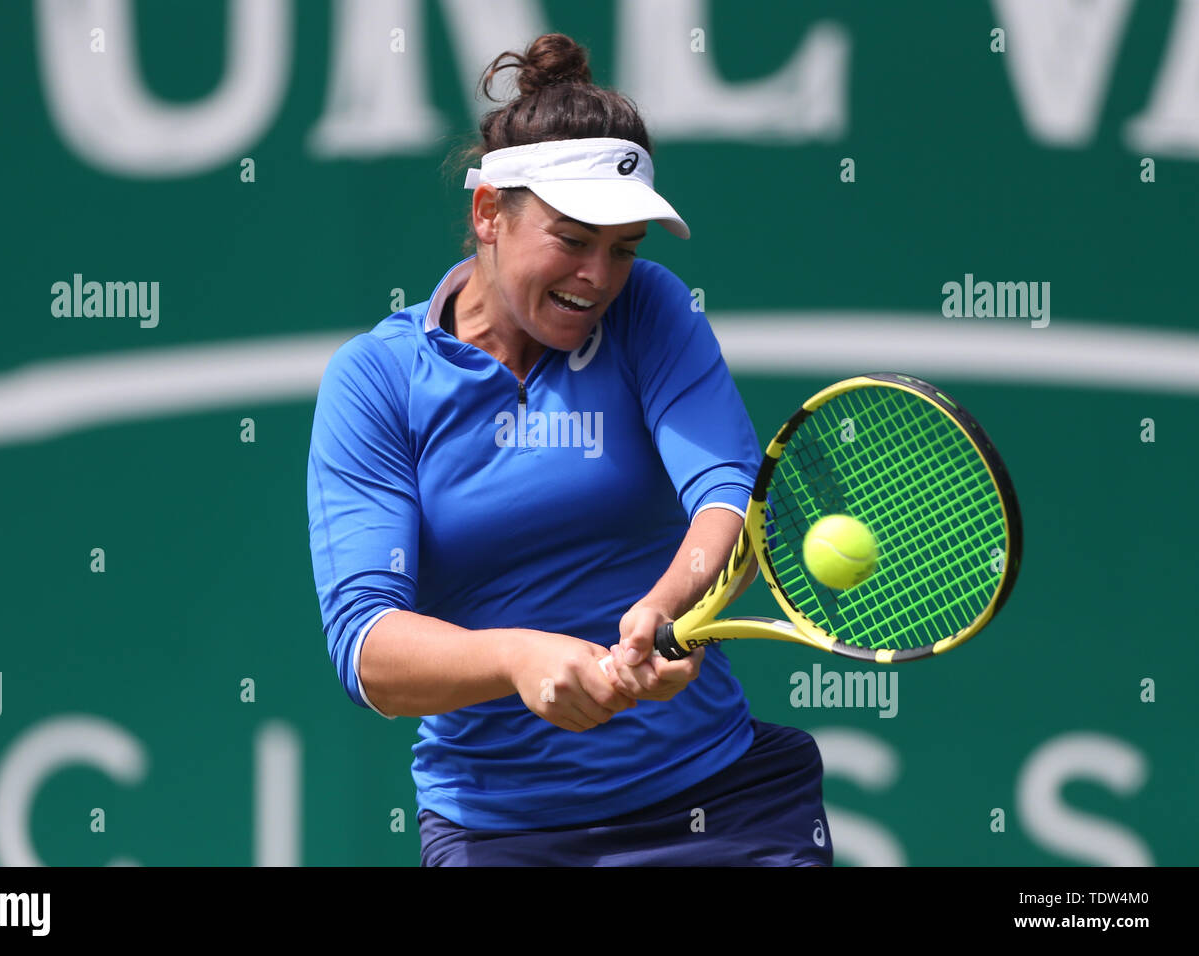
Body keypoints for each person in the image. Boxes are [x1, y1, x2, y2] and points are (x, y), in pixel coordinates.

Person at [307, 32, 831, 866]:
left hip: (721, 809)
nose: (599, 276)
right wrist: (516, 657)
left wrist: (665, 608)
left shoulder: (648, 310)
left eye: (624, 248)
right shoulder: (376, 380)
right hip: (503, 836)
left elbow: (729, 494)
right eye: (573, 237)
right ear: (489, 213)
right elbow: (369, 650)